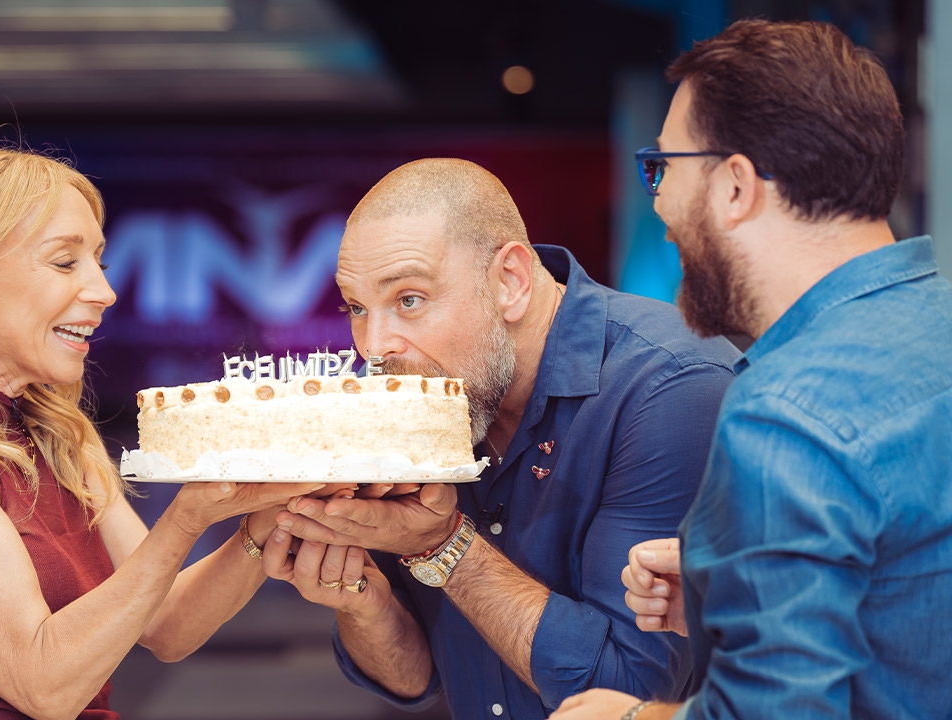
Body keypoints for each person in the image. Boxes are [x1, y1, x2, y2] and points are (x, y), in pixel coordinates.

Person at [551, 19, 952, 720]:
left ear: (736, 185)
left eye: (662, 167)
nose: (660, 203)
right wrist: (729, 599)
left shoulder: (786, 411)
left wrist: (632, 717)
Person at [0, 146, 325, 718]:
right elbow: (42, 687)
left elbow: (169, 624)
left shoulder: (54, 433)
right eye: (64, 262)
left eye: (98, 261)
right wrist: (186, 518)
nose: (104, 292)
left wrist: (277, 511)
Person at [257, 158, 740, 718]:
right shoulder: (440, 391)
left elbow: (628, 689)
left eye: (408, 300)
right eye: (357, 308)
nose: (374, 347)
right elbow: (417, 680)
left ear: (509, 281)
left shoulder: (671, 387)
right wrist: (361, 601)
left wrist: (443, 548)